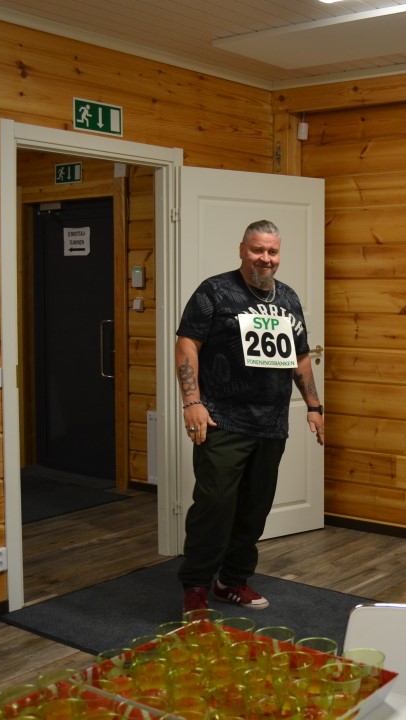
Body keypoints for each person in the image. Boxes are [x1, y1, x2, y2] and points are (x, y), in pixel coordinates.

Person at [175, 220, 325, 615]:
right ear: (242, 249)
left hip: (271, 424)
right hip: (223, 420)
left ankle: (232, 580)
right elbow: (187, 344)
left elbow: (301, 356)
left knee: (254, 508)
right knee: (214, 505)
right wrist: (192, 402)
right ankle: (196, 586)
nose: (265, 258)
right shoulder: (215, 291)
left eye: (272, 251)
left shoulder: (288, 298)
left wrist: (314, 406)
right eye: (258, 250)